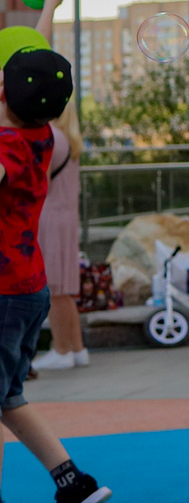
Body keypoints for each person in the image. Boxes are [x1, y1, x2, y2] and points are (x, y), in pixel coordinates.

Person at [0, 0, 110, 503]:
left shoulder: (7, 147)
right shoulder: (41, 131)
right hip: (27, 287)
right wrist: (48, 10)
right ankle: (72, 483)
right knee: (8, 398)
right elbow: (34, 69)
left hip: (2, 292)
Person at [29, 100, 84, 371]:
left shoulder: (50, 138)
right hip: (66, 217)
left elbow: (39, 183)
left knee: (54, 288)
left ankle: (61, 349)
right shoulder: (69, 139)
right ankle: (76, 347)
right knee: (65, 288)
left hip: (49, 219)